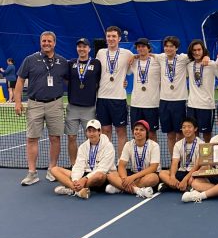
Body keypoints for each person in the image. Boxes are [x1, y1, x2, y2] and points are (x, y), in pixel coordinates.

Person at [15, 31, 68, 186]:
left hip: (55, 104)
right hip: (34, 104)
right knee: (31, 138)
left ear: (54, 43)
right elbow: (20, 81)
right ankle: (32, 173)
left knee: (55, 138)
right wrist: (18, 102)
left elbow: (71, 82)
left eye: (49, 41)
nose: (46, 43)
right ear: (40, 42)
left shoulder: (63, 62)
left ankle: (52, 170)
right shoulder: (30, 60)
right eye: (44, 41)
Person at [51, 119, 115, 199]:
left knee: (99, 175)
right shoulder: (82, 147)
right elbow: (78, 166)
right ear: (86, 132)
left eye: (94, 131)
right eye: (89, 131)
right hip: (84, 174)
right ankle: (75, 189)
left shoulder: (108, 146)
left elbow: (103, 169)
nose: (91, 134)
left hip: (100, 177)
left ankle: (72, 189)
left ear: (99, 132)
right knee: (54, 169)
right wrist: (75, 180)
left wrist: (85, 179)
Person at [95, 25, 134, 157]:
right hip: (102, 98)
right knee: (105, 131)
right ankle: (107, 161)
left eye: (114, 36)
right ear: (106, 38)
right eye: (109, 36)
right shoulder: (100, 53)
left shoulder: (127, 54)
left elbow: (134, 66)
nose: (111, 39)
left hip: (119, 99)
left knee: (121, 132)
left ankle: (121, 162)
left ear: (119, 38)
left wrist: (124, 80)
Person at [65, 38, 101, 165]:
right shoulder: (71, 63)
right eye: (79, 46)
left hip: (89, 108)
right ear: (77, 49)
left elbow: (102, 80)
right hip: (72, 107)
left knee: (91, 138)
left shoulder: (96, 63)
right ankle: (74, 164)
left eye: (84, 46)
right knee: (71, 137)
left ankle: (90, 164)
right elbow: (66, 79)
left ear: (89, 49)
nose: (82, 49)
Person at [106, 120, 160, 198]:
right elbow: (121, 165)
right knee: (111, 175)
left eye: (142, 130)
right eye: (136, 129)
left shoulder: (154, 146)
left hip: (147, 175)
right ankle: (137, 190)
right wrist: (125, 179)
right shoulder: (128, 145)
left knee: (153, 178)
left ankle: (120, 188)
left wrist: (132, 178)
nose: (138, 132)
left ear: (147, 133)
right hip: (133, 174)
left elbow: (153, 167)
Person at [158, 117, 203, 193]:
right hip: (182, 171)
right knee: (162, 173)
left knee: (194, 180)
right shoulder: (178, 144)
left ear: (195, 129)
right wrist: (172, 177)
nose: (186, 129)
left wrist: (186, 179)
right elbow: (175, 162)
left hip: (194, 173)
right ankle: (184, 187)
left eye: (189, 127)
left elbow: (197, 166)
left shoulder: (202, 144)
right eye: (184, 127)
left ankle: (172, 186)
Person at [128, 38, 161, 142]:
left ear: (149, 48)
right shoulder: (133, 62)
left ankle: (153, 157)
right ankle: (137, 157)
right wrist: (134, 56)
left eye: (143, 46)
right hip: (136, 104)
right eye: (138, 47)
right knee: (136, 133)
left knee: (151, 133)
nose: (140, 49)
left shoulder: (157, 61)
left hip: (152, 104)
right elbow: (124, 73)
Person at [186, 39, 218, 142]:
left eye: (199, 50)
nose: (196, 52)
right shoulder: (189, 65)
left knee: (207, 134)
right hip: (192, 105)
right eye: (194, 50)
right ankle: (195, 155)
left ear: (203, 50)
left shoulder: (212, 64)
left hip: (206, 106)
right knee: (193, 133)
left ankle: (207, 157)